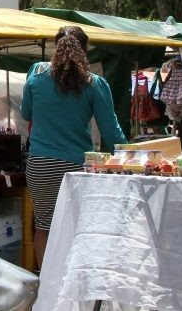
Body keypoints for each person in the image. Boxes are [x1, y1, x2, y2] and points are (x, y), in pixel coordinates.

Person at [21, 26, 126, 269]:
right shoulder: (94, 83)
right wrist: (131, 155)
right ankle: (73, 287)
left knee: (44, 227)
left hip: (40, 164)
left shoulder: (35, 77)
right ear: (86, 50)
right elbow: (111, 132)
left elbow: (26, 112)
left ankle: (47, 289)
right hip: (76, 167)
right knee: (77, 228)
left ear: (55, 47)